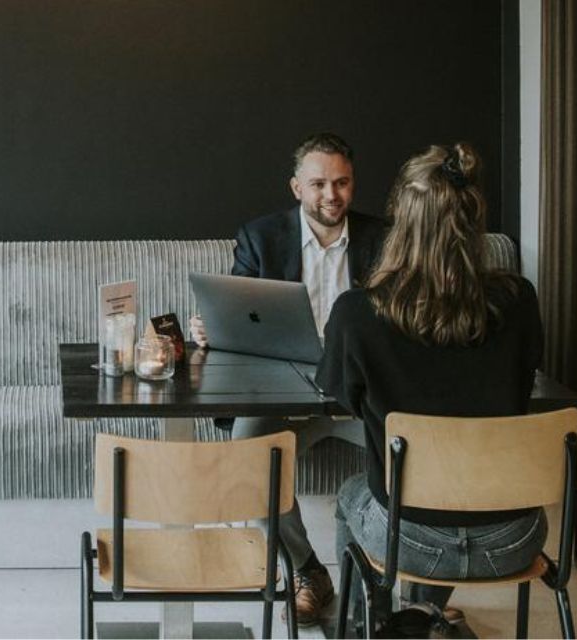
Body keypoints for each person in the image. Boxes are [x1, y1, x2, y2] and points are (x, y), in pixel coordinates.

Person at [316, 142, 545, 618]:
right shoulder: (519, 300)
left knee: (349, 499)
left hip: (410, 538)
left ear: (401, 219)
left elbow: (345, 399)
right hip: (513, 538)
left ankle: (366, 625)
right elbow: (525, 381)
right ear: (474, 219)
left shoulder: (358, 313)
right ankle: (420, 615)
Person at [189, 132, 388, 626]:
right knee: (247, 460)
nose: (331, 195)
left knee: (414, 449)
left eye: (341, 183)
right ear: (297, 187)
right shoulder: (260, 237)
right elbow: (241, 320)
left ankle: (383, 582)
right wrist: (213, 327)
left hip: (355, 393)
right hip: (277, 389)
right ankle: (307, 570)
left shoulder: (383, 239)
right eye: (319, 183)